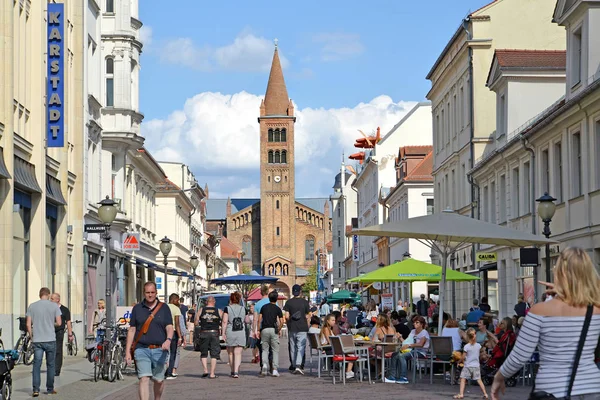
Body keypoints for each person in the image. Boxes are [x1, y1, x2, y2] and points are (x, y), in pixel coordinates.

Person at [492, 247, 600, 399]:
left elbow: (519, 356)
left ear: (559, 273)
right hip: (592, 388)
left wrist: (499, 376)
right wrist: (571, 290)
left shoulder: (540, 311)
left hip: (552, 390)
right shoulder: (596, 309)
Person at [125, 282, 173, 400]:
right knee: (144, 378)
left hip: (159, 349)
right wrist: (127, 352)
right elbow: (132, 330)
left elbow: (169, 327)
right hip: (141, 349)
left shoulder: (164, 308)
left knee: (159, 380)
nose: (150, 295)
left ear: (156, 293)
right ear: (144, 293)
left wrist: (168, 340)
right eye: (148, 292)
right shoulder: (137, 308)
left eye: (152, 292)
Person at [27, 287, 62, 397]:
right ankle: (50, 389)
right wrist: (51, 323)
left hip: (38, 340)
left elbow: (28, 324)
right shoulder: (54, 306)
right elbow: (59, 323)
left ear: (40, 295)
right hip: (50, 339)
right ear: (48, 295)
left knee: (36, 365)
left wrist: (32, 336)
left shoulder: (32, 306)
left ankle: (36, 389)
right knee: (50, 365)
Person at [385, 316, 430, 384]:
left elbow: (421, 344)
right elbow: (406, 342)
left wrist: (409, 345)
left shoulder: (424, 332)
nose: (415, 324)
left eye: (417, 322)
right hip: (411, 350)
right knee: (394, 355)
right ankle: (392, 376)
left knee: (402, 356)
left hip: (420, 352)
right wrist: (400, 337)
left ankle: (403, 377)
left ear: (422, 324)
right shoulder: (412, 331)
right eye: (414, 322)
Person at [454, 328, 488, 399]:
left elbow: (463, 357)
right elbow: (481, 351)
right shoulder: (478, 346)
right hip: (476, 366)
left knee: (463, 379)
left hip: (467, 366)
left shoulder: (466, 346)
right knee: (479, 380)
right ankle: (485, 393)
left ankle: (461, 394)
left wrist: (459, 361)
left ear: (467, 337)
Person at [283, 284, 310, 375]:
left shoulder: (288, 302)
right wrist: (308, 325)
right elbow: (308, 316)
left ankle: (294, 364)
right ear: (300, 292)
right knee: (300, 346)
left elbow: (286, 316)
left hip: (292, 327)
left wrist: (289, 324)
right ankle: (298, 365)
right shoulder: (305, 302)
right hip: (302, 327)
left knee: (293, 346)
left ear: (292, 292)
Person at [194, 296, 223, 379]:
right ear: (214, 302)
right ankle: (212, 373)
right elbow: (224, 321)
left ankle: (205, 370)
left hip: (204, 333)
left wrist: (201, 323)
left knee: (203, 352)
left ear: (206, 302)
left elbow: (196, 322)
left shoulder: (201, 310)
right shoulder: (218, 311)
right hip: (214, 333)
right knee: (214, 353)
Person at [258, 290, 283, 377]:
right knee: (275, 350)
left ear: (269, 298)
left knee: (265, 349)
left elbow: (259, 319)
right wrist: (278, 329)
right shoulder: (277, 308)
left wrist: (258, 330)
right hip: (273, 329)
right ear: (276, 299)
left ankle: (264, 365)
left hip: (264, 329)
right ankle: (275, 369)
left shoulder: (264, 307)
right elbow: (282, 321)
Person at [222, 291, 246, 378]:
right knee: (238, 353)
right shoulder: (243, 309)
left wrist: (223, 333)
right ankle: (236, 372)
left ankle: (232, 370)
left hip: (230, 331)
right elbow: (246, 320)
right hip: (240, 331)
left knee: (231, 353)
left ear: (231, 299)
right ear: (239, 299)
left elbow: (224, 321)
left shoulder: (227, 308)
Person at [50, 293, 72, 377]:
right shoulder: (49, 309)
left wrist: (70, 334)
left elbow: (68, 322)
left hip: (59, 331)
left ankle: (57, 369)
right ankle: (51, 367)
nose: (50, 300)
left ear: (57, 300)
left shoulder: (64, 310)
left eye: (52, 299)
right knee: (51, 349)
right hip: (50, 331)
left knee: (58, 350)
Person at [253, 284, 273, 375]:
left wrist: (255, 330)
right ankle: (272, 366)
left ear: (261, 293)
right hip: (272, 327)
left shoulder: (257, 304)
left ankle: (262, 366)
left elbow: (255, 319)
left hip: (262, 328)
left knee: (262, 349)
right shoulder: (273, 302)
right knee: (271, 348)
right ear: (268, 292)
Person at [164, 293, 184, 379]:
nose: (178, 301)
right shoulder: (176, 309)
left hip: (163, 331)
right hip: (173, 332)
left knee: (164, 352)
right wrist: (180, 336)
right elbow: (177, 324)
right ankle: (169, 372)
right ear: (174, 299)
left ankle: (163, 371)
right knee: (173, 352)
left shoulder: (164, 307)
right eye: (177, 300)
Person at [172, 300, 188, 377]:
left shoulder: (165, 310)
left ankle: (168, 368)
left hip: (165, 334)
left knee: (167, 352)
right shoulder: (178, 313)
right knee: (176, 352)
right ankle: (173, 370)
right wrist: (183, 338)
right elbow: (181, 326)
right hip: (175, 333)